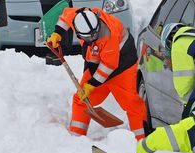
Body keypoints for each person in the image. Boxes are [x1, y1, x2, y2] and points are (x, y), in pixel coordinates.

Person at [47, 7, 146, 139]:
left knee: (133, 104)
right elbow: (66, 15)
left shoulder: (108, 34)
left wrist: (91, 84)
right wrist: (57, 33)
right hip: (96, 64)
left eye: (94, 34)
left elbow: (109, 65)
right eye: (89, 36)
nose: (94, 37)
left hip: (123, 67)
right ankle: (77, 137)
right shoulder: (79, 17)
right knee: (81, 99)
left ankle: (143, 140)